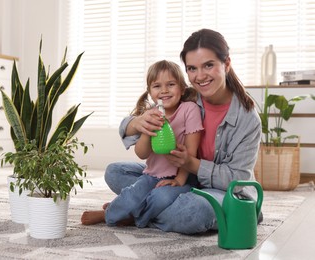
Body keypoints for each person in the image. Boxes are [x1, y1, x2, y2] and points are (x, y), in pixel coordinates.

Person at [84, 28, 262, 234]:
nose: (200, 76)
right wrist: (139, 122)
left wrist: (191, 164)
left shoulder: (247, 119)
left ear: (227, 64)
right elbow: (129, 126)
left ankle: (132, 212)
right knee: (116, 172)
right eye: (192, 68)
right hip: (174, 178)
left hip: (220, 190)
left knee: (194, 212)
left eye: (209, 65)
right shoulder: (185, 96)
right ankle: (146, 207)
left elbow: (236, 179)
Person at [81, 60, 203, 227]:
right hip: (153, 175)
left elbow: (191, 150)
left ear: (182, 88)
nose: (164, 90)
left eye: (171, 84)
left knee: (161, 198)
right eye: (157, 86)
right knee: (132, 194)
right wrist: (147, 131)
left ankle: (127, 214)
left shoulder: (189, 109)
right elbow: (142, 154)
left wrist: (180, 179)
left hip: (184, 177)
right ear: (150, 92)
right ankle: (114, 213)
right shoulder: (150, 114)